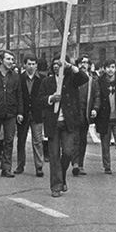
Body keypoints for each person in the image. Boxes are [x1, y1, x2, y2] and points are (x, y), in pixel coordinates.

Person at [39, 56, 89, 197]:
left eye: (59, 64)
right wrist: (50, 98)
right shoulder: (46, 82)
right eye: (54, 64)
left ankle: (61, 177)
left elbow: (84, 78)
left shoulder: (71, 80)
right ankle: (56, 186)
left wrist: (71, 66)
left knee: (67, 152)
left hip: (68, 123)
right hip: (52, 123)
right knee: (54, 155)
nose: (56, 67)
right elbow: (40, 100)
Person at [16, 54, 46, 177]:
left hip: (37, 114)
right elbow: (18, 97)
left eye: (34, 64)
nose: (31, 66)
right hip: (23, 114)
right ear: (24, 65)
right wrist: (19, 112)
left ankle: (39, 166)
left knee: (38, 141)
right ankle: (20, 164)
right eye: (29, 64)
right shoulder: (19, 78)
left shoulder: (42, 79)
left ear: (37, 65)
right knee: (21, 140)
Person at [71, 54, 99, 177]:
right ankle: (75, 163)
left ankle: (80, 164)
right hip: (73, 113)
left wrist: (95, 108)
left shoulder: (92, 80)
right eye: (81, 62)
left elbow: (97, 96)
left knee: (82, 140)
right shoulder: (72, 78)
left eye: (86, 62)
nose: (83, 64)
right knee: (74, 139)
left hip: (85, 113)